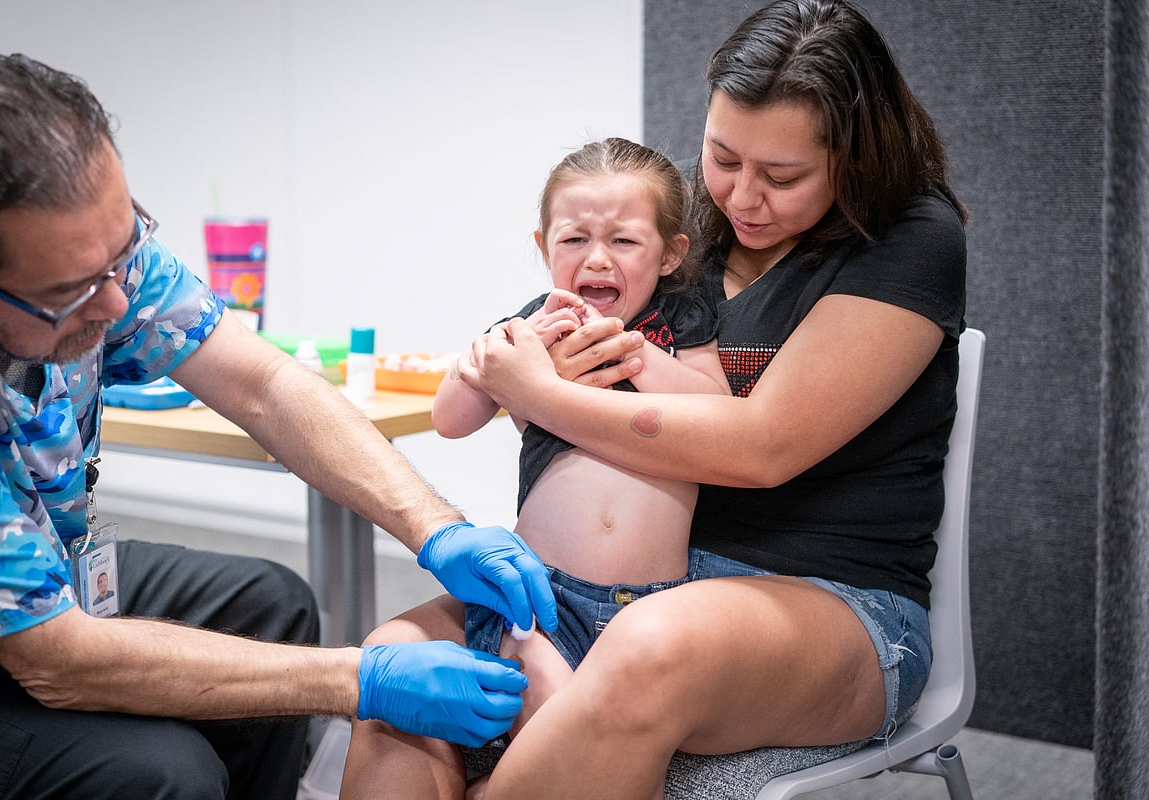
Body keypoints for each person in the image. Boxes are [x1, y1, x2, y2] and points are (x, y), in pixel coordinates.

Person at [339, 0, 969, 797]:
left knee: (646, 645)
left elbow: (761, 446)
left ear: (856, 161)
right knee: (399, 663)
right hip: (637, 582)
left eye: (782, 177)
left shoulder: (911, 237)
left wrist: (535, 391)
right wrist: (510, 367)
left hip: (837, 600)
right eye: (723, 157)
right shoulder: (682, 238)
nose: (742, 199)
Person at [0, 52, 558, 800]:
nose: (116, 303)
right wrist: (359, 680)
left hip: (45, 560)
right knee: (166, 775)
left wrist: (437, 528)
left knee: (273, 603)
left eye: (123, 252)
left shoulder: (96, 260)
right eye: (74, 290)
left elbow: (262, 382)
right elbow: (59, 659)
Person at [429, 137, 729, 749]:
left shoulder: (681, 316)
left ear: (670, 254)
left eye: (623, 241)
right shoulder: (534, 323)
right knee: (564, 738)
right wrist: (492, 360)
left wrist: (634, 350)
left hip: (656, 606)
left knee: (607, 739)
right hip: (539, 601)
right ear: (543, 247)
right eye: (573, 240)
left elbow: (718, 409)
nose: (596, 259)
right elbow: (449, 419)